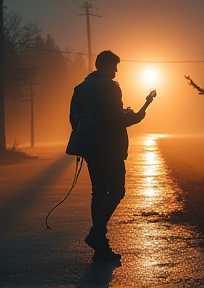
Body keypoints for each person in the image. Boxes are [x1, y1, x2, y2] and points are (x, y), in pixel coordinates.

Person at [69, 50, 146, 261]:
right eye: (114, 66)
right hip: (110, 148)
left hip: (90, 149)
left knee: (99, 193)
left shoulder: (80, 88)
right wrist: (134, 116)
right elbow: (116, 119)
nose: (116, 71)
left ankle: (100, 249)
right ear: (104, 66)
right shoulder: (109, 86)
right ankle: (96, 235)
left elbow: (74, 119)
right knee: (116, 192)